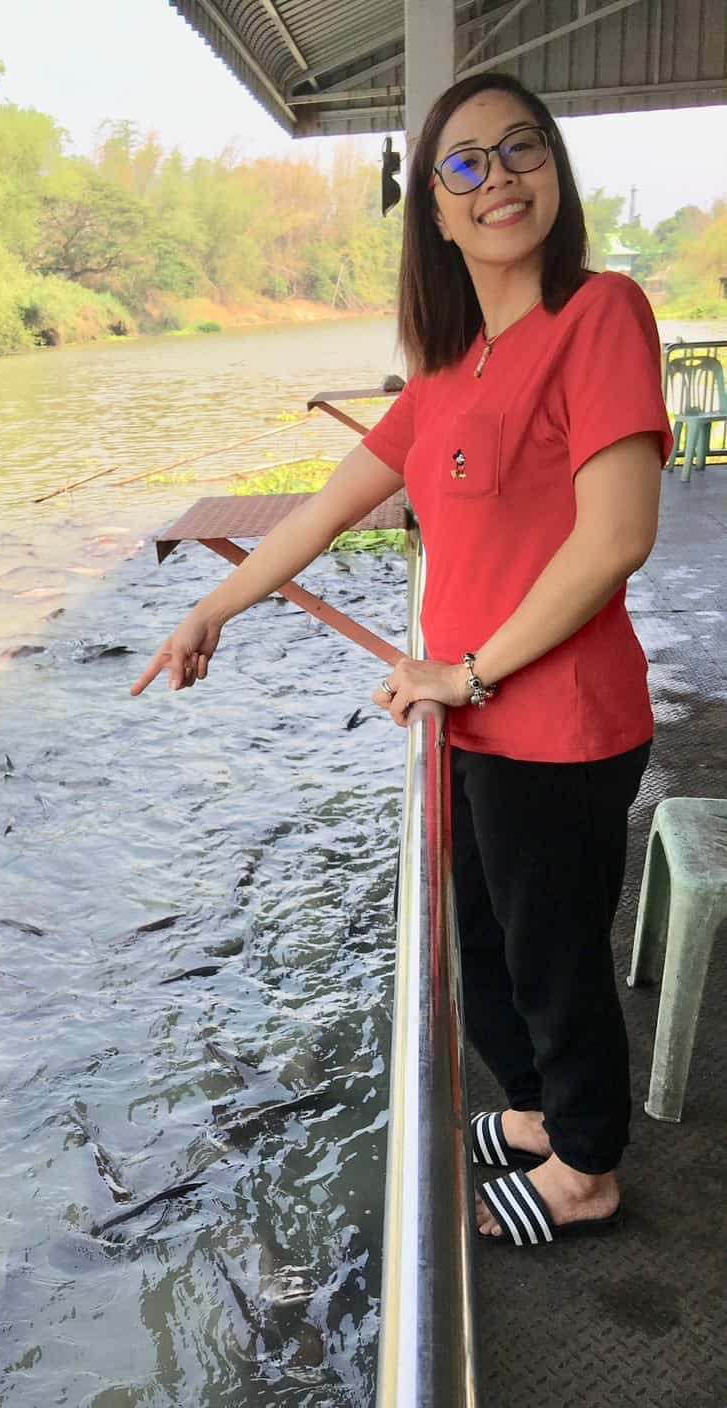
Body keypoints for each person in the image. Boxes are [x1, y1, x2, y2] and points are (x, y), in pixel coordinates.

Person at [130, 71, 672, 1250]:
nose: (496, 179)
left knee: (553, 951)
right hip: (471, 719)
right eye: (462, 164)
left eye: (519, 149)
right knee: (486, 943)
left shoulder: (598, 315)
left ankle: (584, 1166)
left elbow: (614, 537)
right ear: (432, 208)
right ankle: (531, 1113)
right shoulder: (444, 369)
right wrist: (210, 610)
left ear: (554, 170)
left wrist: (463, 670)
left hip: (558, 721)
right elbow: (321, 511)